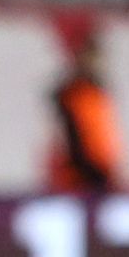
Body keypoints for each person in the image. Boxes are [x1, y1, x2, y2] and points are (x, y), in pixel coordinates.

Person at [50, 39, 122, 194]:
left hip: (100, 171)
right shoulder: (75, 94)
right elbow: (76, 138)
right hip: (83, 175)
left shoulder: (96, 93)